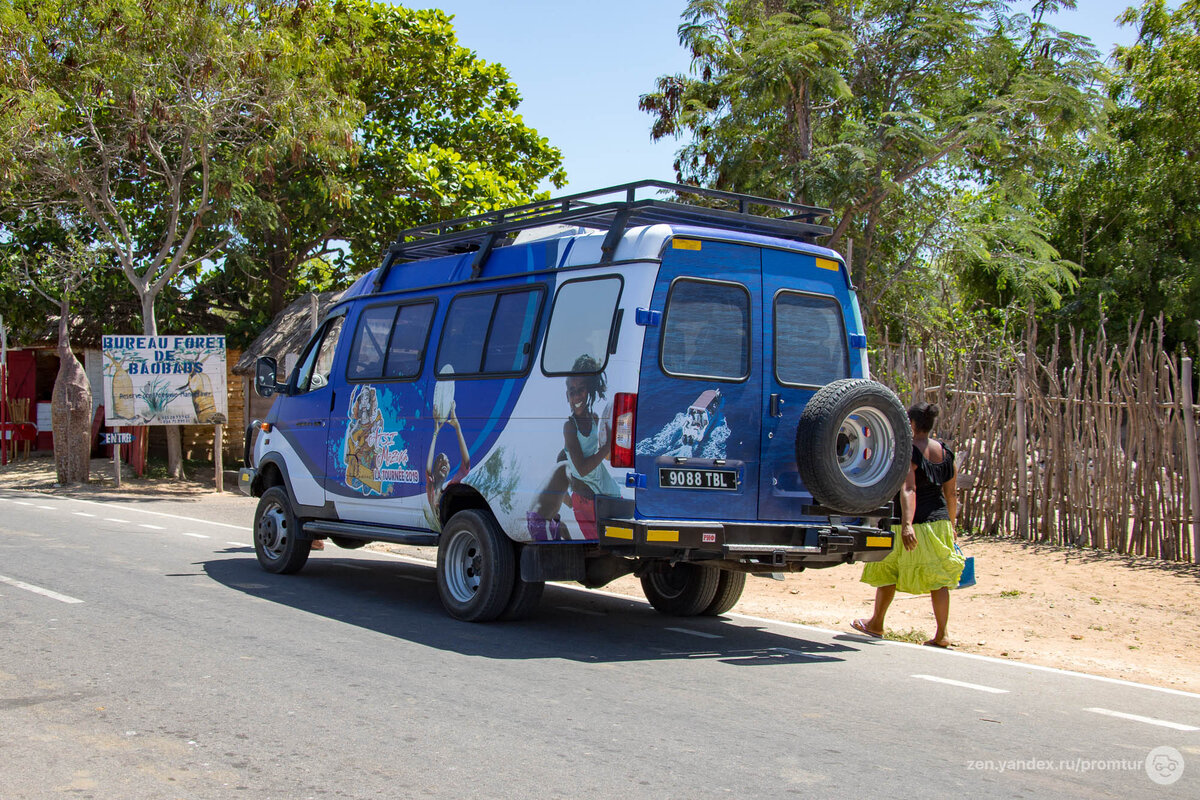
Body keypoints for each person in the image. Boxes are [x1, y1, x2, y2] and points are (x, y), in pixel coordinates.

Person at [852, 401, 965, 647]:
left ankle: (877, 623)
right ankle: (942, 634)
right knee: (939, 579)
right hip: (939, 523)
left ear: (911, 424)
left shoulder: (909, 451)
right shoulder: (946, 452)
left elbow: (908, 488)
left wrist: (907, 524)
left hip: (912, 522)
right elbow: (951, 494)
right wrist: (952, 525)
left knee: (888, 569)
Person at [527, 355, 621, 541]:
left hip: (599, 490)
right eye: (572, 391)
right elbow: (582, 469)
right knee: (598, 541)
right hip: (584, 499)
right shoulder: (569, 427)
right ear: (567, 396)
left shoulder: (595, 420)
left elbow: (571, 454)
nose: (577, 395)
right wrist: (606, 448)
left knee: (605, 541)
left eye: (581, 390)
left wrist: (608, 447)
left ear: (590, 391)